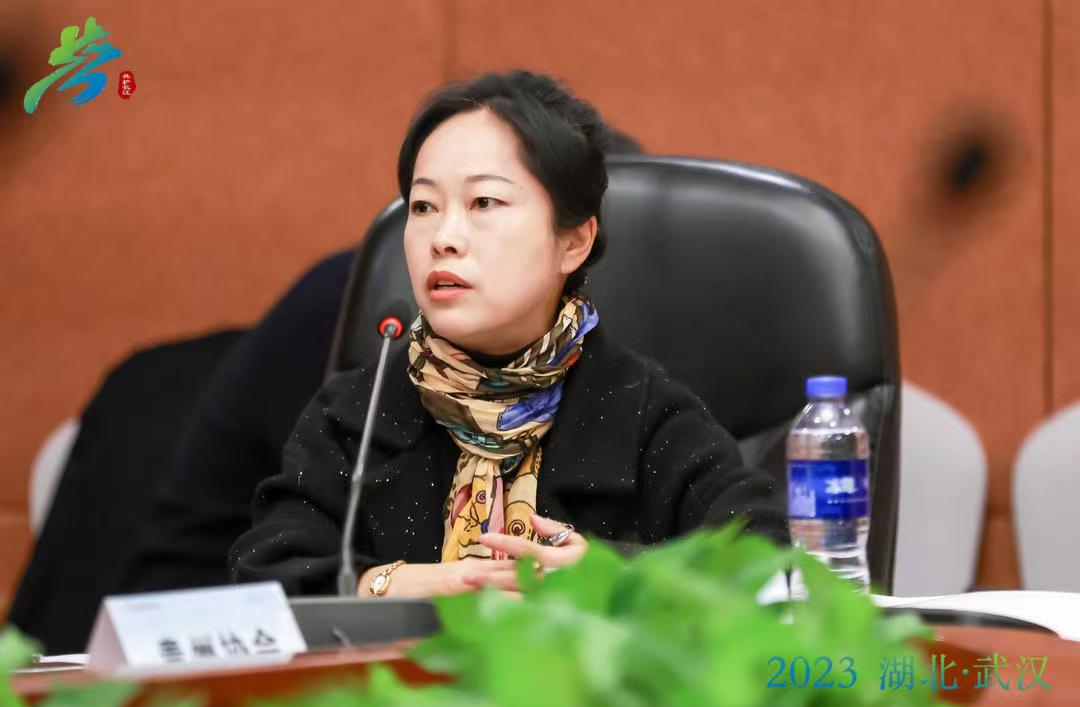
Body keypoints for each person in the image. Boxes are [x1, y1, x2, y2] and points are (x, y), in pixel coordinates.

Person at [228, 69, 787, 599]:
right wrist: (397, 585)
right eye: (423, 206)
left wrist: (617, 580)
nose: (443, 237)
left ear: (574, 242)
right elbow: (265, 573)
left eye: (484, 203)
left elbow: (768, 562)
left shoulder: (642, 412)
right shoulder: (358, 411)